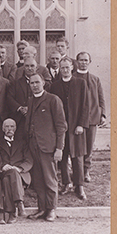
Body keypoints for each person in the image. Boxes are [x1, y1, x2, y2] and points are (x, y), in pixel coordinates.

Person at [25, 73, 67, 221]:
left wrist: (59, 148)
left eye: (37, 82)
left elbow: (61, 126)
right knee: (38, 180)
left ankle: (51, 209)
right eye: (31, 83)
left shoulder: (53, 100)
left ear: (43, 83)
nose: (35, 85)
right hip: (33, 147)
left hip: (48, 147)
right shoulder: (31, 100)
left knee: (50, 179)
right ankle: (42, 208)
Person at [50, 57, 89, 199]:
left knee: (77, 156)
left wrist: (80, 124)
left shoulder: (81, 83)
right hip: (61, 127)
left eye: (67, 67)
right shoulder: (55, 86)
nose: (65, 70)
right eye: (62, 68)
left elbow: (85, 105)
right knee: (63, 155)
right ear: (60, 69)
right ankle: (66, 183)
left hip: (75, 127)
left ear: (72, 67)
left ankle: (79, 186)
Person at [74, 51, 106, 183]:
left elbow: (100, 98)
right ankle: (78, 172)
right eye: (81, 60)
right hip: (77, 120)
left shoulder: (95, 79)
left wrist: (102, 114)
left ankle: (86, 171)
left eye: (86, 60)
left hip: (92, 118)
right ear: (77, 62)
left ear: (89, 62)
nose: (83, 63)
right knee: (78, 147)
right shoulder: (72, 77)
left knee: (89, 146)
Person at [0, 118, 33, 223]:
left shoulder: (22, 143)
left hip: (21, 174)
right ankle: (19, 204)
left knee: (10, 178)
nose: (9, 129)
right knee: (8, 177)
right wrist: (2, 166)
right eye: (7, 126)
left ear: (15, 128)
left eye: (12, 126)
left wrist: (20, 168)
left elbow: (29, 160)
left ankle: (12, 213)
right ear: (3, 128)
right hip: (5, 172)